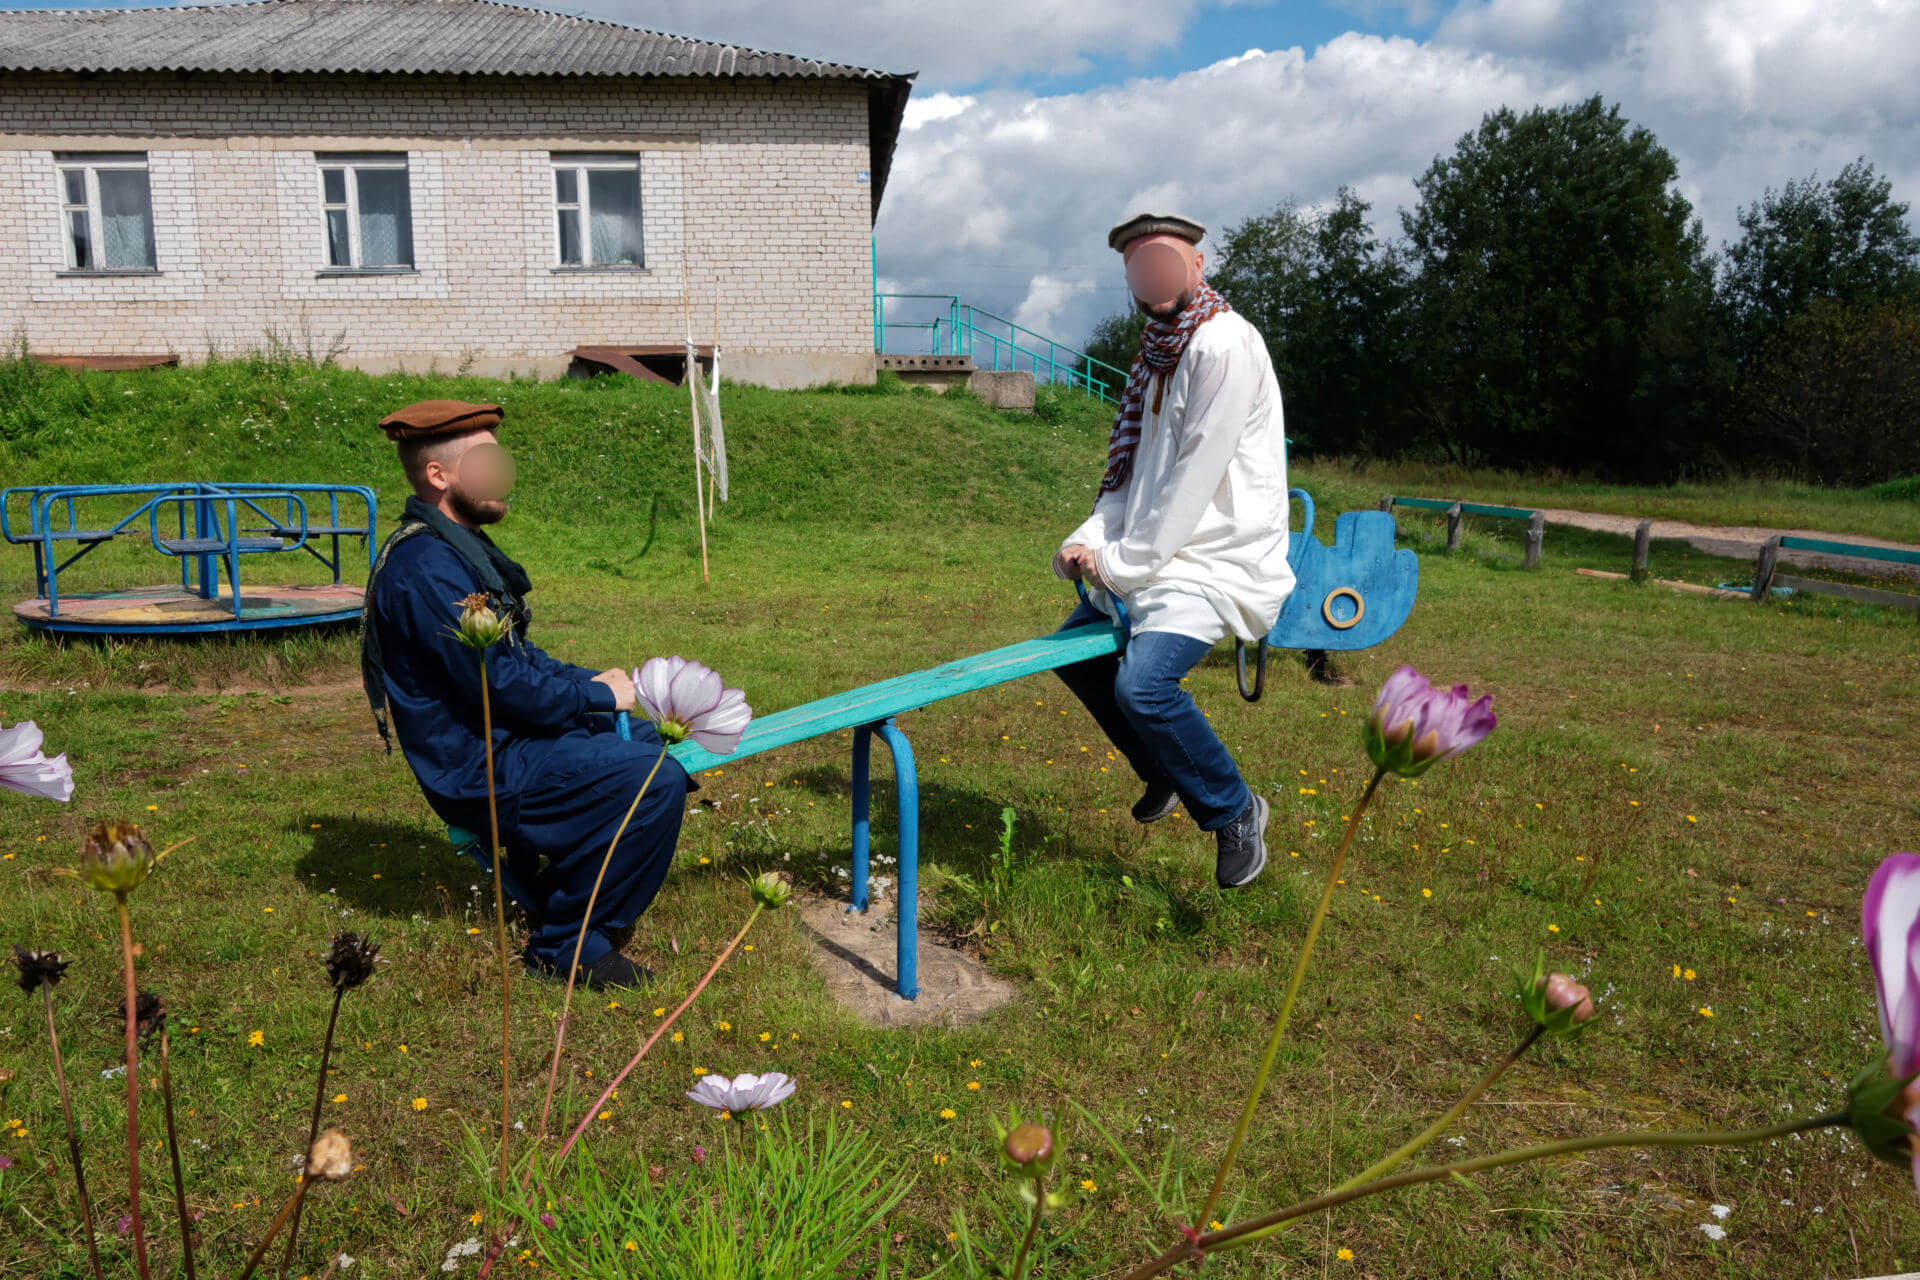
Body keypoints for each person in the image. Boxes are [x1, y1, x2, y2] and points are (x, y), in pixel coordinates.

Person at [359, 398, 690, 990]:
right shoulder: (425, 568)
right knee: (653, 778)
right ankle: (568, 946)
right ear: (439, 476)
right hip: (480, 765)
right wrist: (594, 700)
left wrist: (592, 685)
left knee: (656, 742)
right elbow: (500, 687)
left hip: (510, 738)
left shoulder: (457, 549)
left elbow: (518, 658)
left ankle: (572, 874)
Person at [1051, 212, 1295, 889]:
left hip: (1217, 559)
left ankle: (1234, 810)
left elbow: (1192, 482)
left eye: (1163, 257)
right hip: (1159, 556)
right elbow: (1134, 474)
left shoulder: (1222, 345)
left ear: (1198, 265)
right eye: (1137, 263)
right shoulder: (1160, 350)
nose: (1149, 272)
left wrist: (1121, 565)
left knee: (1144, 685)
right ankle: (1161, 767)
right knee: (1074, 659)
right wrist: (1087, 539)